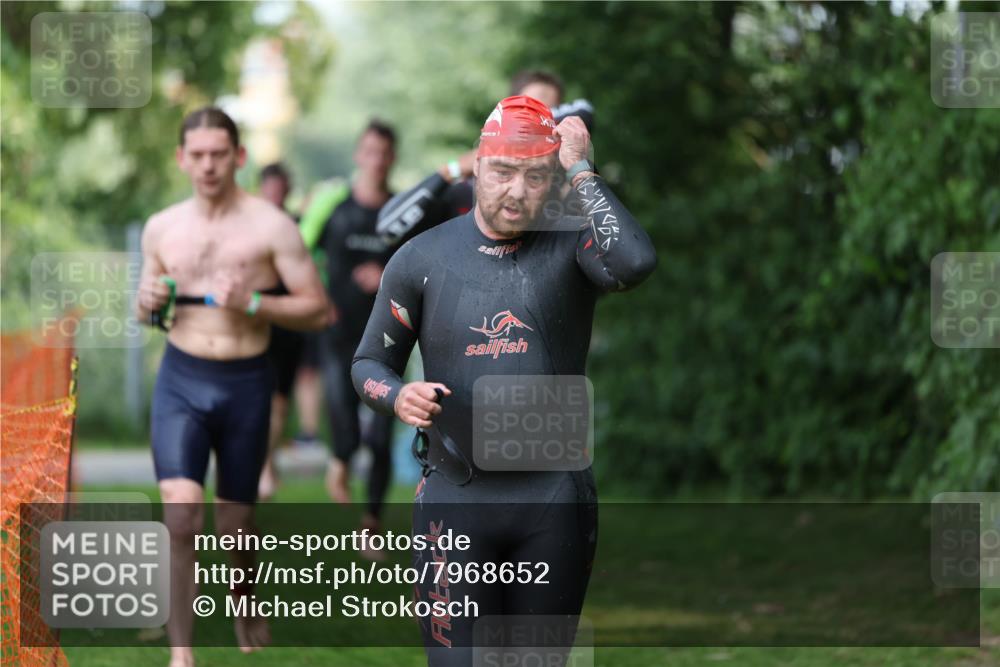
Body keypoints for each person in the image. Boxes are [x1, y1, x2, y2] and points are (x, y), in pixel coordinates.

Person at [351, 96, 656, 665]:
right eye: (502, 172)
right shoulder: (421, 258)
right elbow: (368, 364)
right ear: (477, 167)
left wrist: (581, 169)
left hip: (554, 499)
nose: (516, 191)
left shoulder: (572, 245)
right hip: (455, 499)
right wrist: (398, 397)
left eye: (536, 175)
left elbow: (634, 262)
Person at [136, 107, 328, 667]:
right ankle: (182, 653)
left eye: (219, 153)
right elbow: (150, 309)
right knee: (180, 511)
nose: (208, 165)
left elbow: (318, 310)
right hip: (182, 378)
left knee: (235, 524)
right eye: (196, 155)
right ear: (181, 159)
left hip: (246, 381)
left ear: (238, 156)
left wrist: (254, 302)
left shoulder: (271, 226)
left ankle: (244, 597)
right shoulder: (161, 227)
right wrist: (145, 306)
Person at [376, 69, 594, 246]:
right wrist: (450, 171)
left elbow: (585, 110)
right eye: (528, 107)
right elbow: (388, 229)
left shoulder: (558, 191)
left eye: (546, 112)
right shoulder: (465, 188)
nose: (536, 118)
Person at [315, 120, 400, 556]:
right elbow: (294, 251)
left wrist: (388, 276)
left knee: (382, 436)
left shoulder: (404, 212)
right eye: (369, 150)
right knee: (343, 422)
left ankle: (370, 525)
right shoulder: (334, 207)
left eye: (384, 152)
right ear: (358, 155)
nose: (377, 159)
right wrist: (315, 297)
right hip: (337, 336)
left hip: (387, 341)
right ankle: (340, 458)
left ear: (393, 157)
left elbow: (423, 265)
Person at [257, 162, 303, 500]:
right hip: (253, 324)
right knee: (256, 399)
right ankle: (261, 465)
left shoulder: (298, 226)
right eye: (270, 187)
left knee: (280, 403)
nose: (276, 194)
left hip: (288, 325)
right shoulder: (248, 227)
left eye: (281, 187)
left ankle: (268, 459)